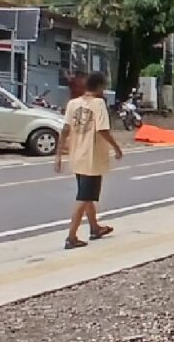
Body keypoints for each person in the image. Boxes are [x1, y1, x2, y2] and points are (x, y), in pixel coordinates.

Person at [55, 71, 123, 249]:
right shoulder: (99, 104)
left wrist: (58, 156)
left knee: (87, 195)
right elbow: (102, 130)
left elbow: (65, 130)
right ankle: (71, 236)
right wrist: (116, 147)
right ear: (100, 87)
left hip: (77, 155)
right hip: (92, 157)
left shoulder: (73, 104)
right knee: (84, 196)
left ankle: (94, 227)